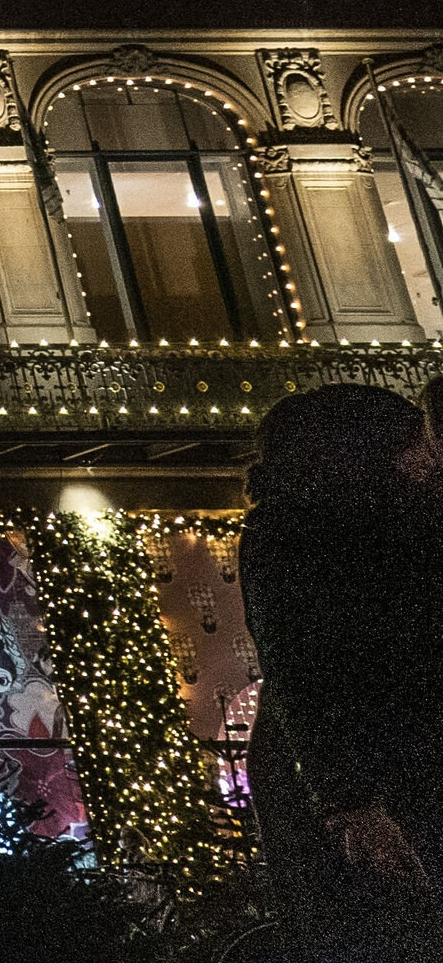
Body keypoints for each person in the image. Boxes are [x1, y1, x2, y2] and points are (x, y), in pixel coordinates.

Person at [243, 384, 443, 957]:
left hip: (385, 767)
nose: (425, 454)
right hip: (357, 779)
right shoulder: (294, 535)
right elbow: (305, 672)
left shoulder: (397, 524)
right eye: (412, 442)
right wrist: (350, 801)